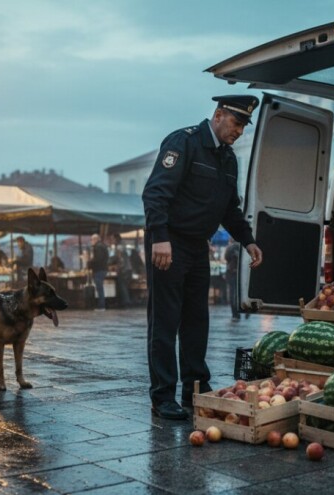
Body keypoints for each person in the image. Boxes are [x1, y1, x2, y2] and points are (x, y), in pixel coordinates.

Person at [142, 95, 264, 420]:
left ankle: (195, 389)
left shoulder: (228, 160)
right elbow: (155, 193)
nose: (238, 131)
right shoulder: (184, 142)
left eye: (243, 126)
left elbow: (229, 210)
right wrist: (160, 238)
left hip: (197, 246)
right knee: (165, 322)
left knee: (197, 320)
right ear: (219, 114)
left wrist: (248, 240)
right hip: (168, 242)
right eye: (236, 123)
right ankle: (163, 397)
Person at [224, 238, 248, 321]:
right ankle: (245, 311)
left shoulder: (231, 247)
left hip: (232, 273)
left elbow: (226, 257)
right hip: (241, 273)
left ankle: (235, 314)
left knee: (233, 294)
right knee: (241, 294)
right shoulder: (243, 247)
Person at [108, 232, 132, 307]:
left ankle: (126, 302)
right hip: (128, 268)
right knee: (124, 286)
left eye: (112, 239)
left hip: (123, 269)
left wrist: (107, 262)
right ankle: (125, 302)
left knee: (122, 286)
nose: (112, 241)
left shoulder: (118, 247)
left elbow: (116, 258)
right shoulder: (123, 245)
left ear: (116, 238)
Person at [86, 233, 109, 310]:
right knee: (100, 288)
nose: (91, 241)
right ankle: (101, 305)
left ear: (95, 239)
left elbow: (98, 259)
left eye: (92, 239)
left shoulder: (98, 247)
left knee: (99, 288)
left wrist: (90, 263)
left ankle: (101, 306)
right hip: (103, 269)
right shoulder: (103, 246)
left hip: (99, 269)